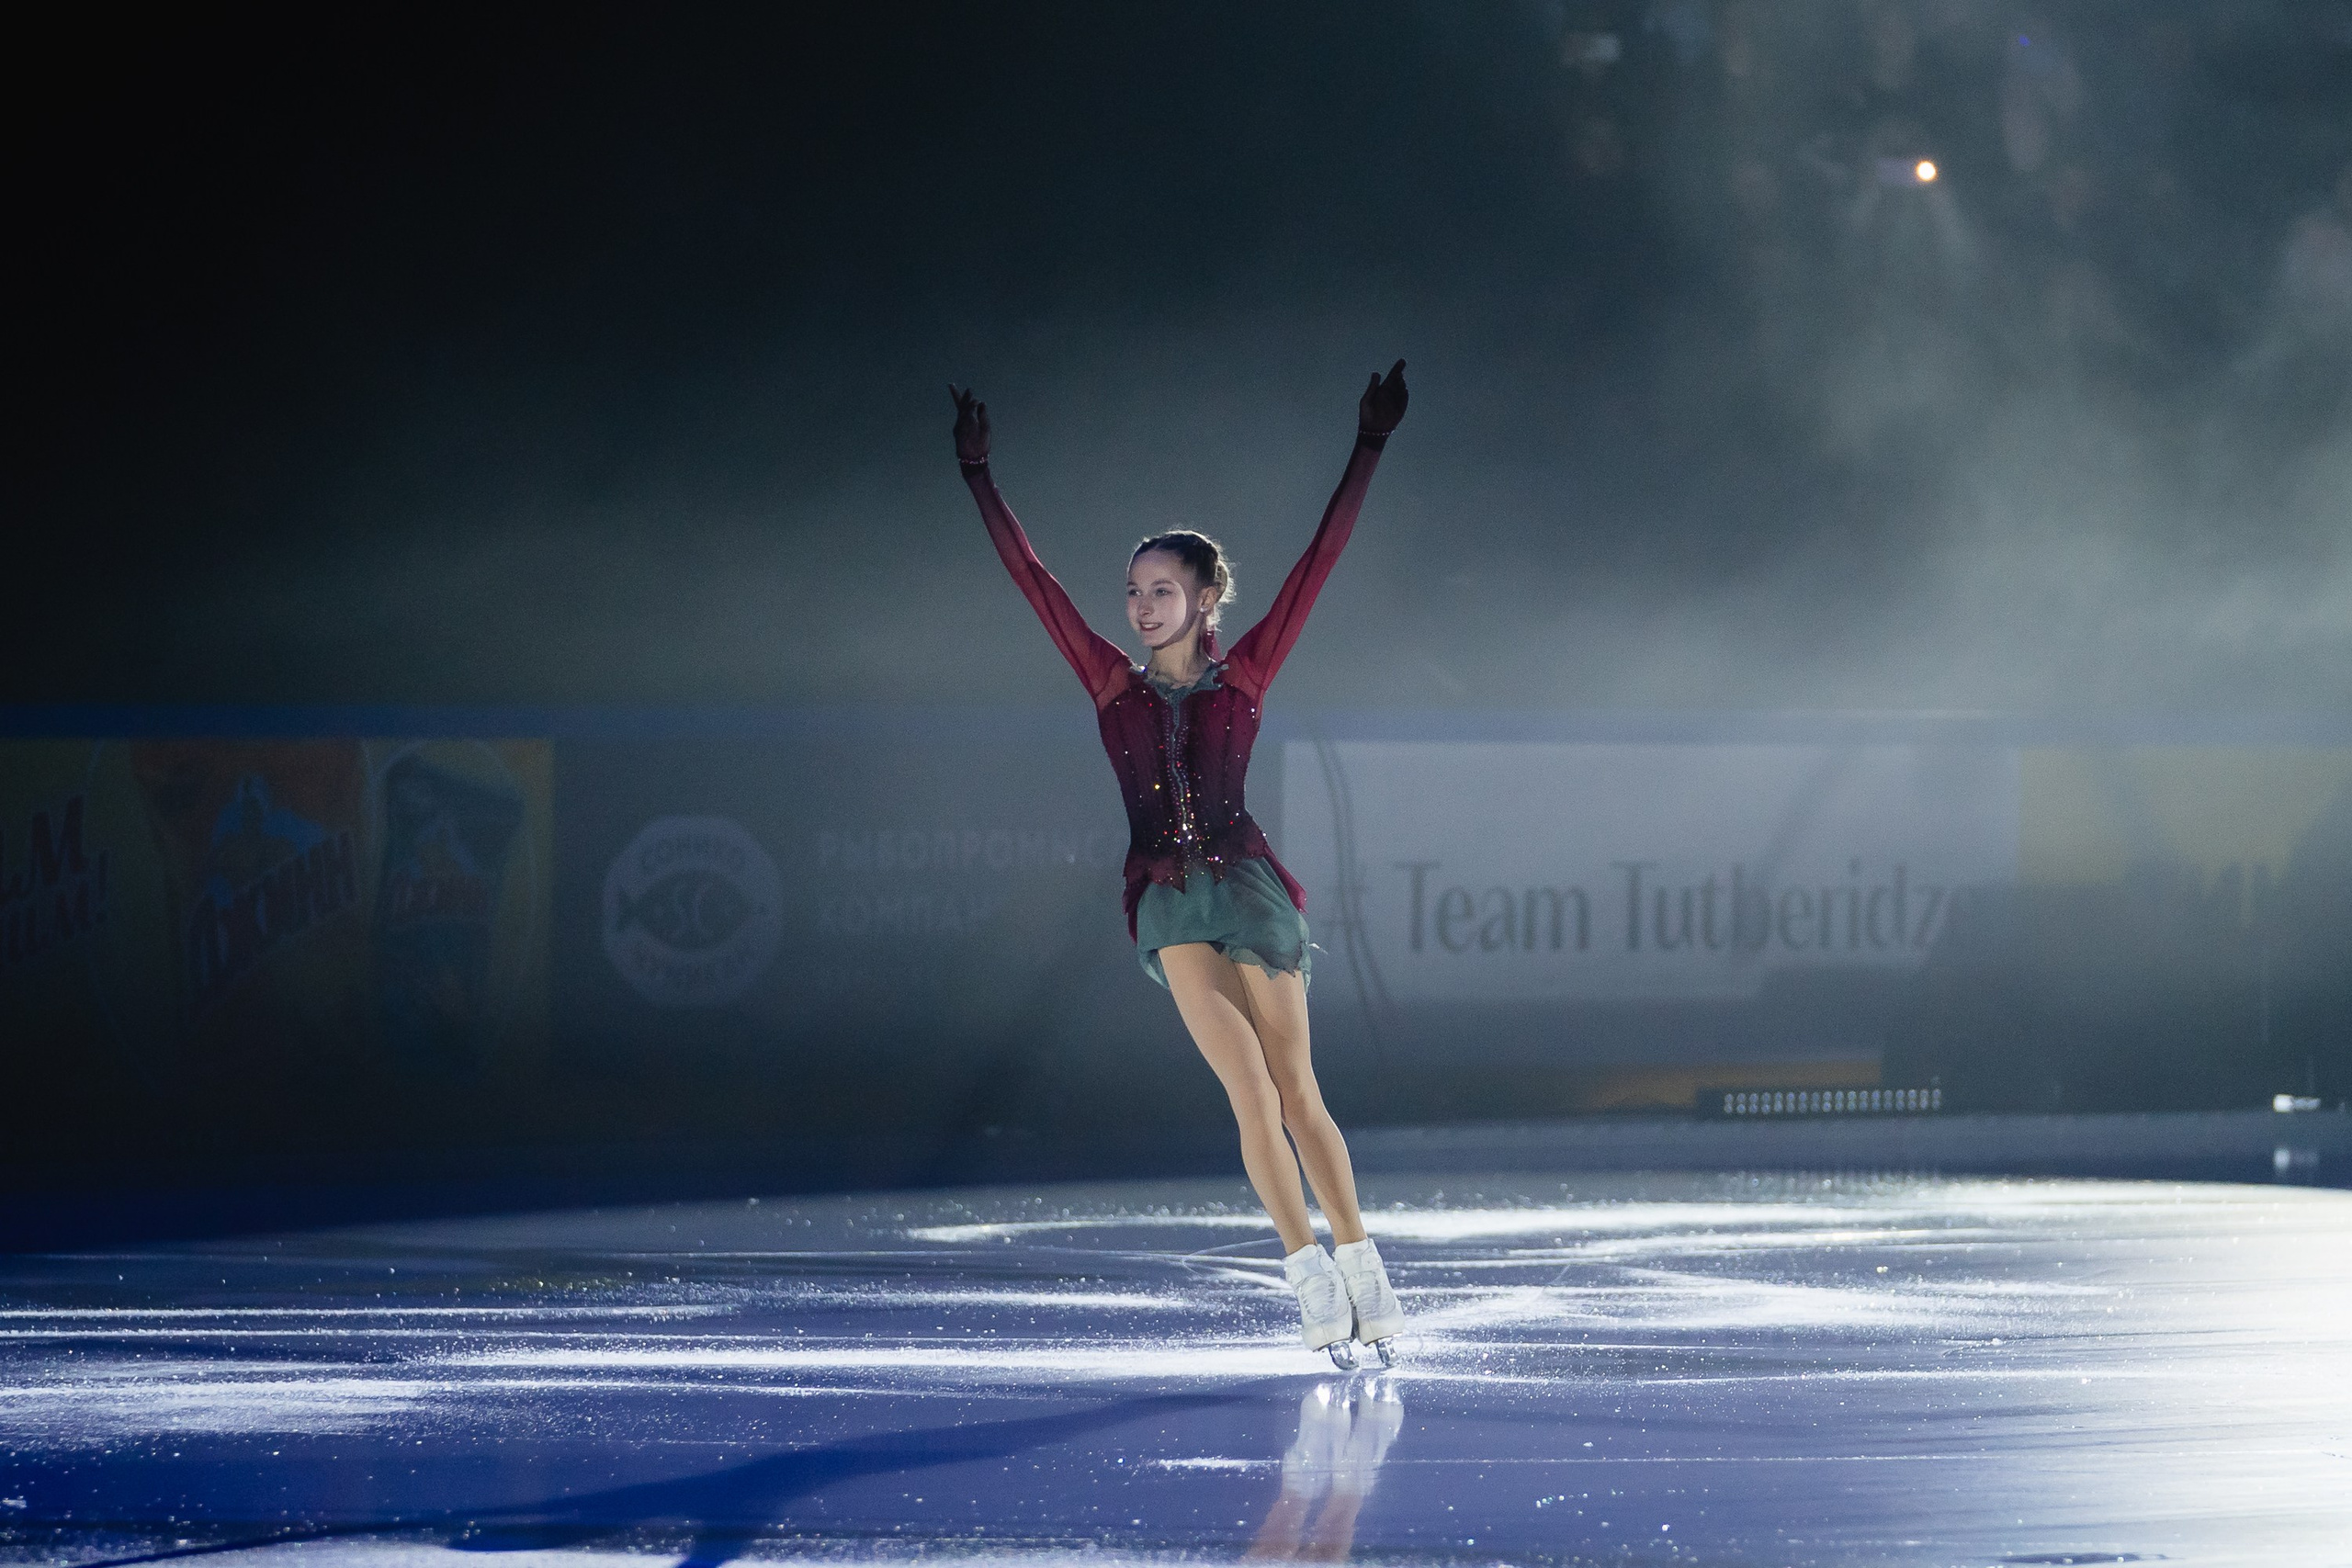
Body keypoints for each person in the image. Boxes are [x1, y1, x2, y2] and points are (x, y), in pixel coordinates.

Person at [950, 364, 1410, 1364]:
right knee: (1245, 1095)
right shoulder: (1108, 685)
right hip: (1165, 900)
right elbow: (1035, 582)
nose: (1139, 605)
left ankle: (1363, 1261)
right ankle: (1309, 1279)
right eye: (1132, 591)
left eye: (1161, 590)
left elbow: (1317, 562)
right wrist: (980, 476)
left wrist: (1367, 446)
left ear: (1204, 600)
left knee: (1296, 1092)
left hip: (1246, 892)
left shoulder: (1244, 673)